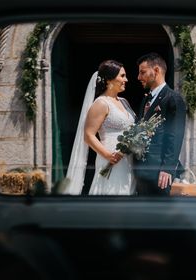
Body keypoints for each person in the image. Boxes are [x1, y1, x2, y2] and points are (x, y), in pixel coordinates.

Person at [62, 60, 137, 195]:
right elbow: (89, 135)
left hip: (128, 159)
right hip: (110, 157)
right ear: (109, 80)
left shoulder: (124, 102)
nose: (126, 79)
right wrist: (107, 155)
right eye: (122, 76)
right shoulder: (101, 103)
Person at [135, 53, 186, 195]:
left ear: (156, 71)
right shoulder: (145, 100)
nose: (139, 77)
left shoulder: (173, 99)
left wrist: (167, 168)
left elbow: (175, 135)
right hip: (142, 171)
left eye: (142, 72)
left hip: (160, 173)